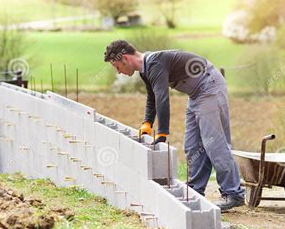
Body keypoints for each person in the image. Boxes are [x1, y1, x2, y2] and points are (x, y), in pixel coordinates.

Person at [103, 40, 245, 211]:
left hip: (209, 87)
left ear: (125, 58)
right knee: (193, 146)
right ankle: (195, 190)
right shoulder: (145, 70)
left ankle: (233, 193)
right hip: (195, 95)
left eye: (117, 67)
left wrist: (162, 132)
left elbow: (163, 97)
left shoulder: (155, 63)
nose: (118, 71)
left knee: (214, 143)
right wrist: (147, 122)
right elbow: (153, 98)